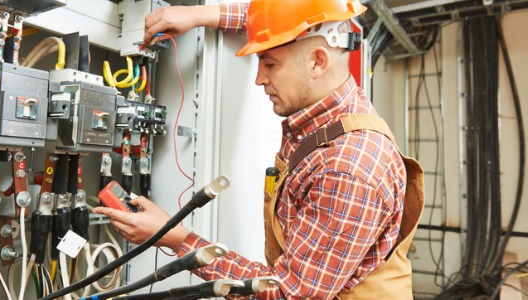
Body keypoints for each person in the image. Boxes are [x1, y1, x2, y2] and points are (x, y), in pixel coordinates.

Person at [93, 0, 425, 298]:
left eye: (269, 64)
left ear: (317, 62)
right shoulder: (330, 109)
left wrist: (177, 239)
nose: (259, 79)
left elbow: (286, 293)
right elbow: (277, 23)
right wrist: (198, 14)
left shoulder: (348, 167)